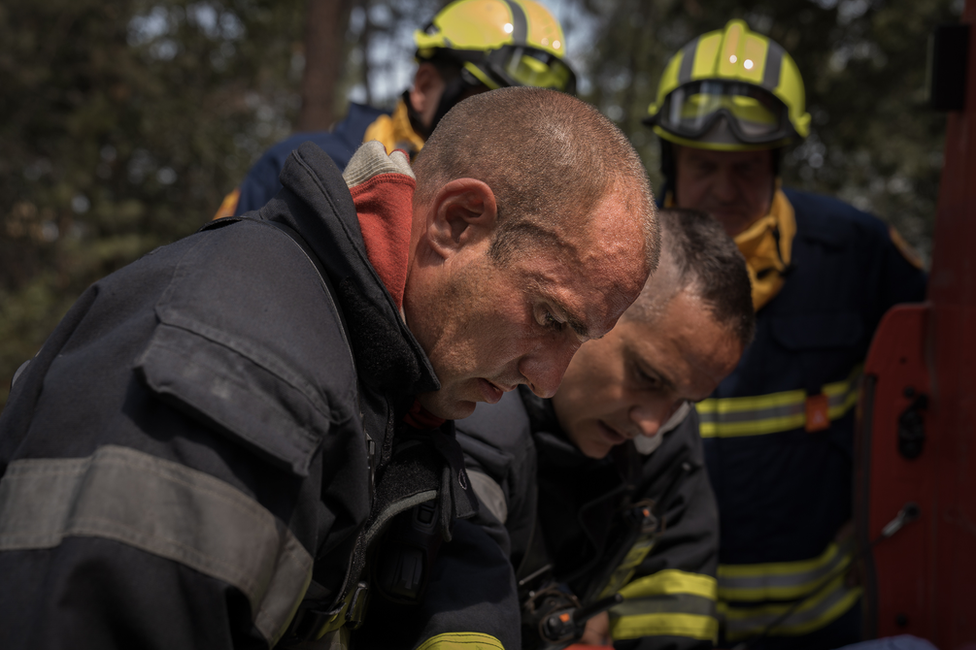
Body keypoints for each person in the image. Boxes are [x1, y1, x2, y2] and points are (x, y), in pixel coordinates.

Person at [0, 88, 658, 650]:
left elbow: (453, 544)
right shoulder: (232, 366)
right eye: (551, 317)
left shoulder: (396, 368)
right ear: (458, 222)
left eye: (583, 339)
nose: (549, 380)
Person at [642, 20, 928, 649]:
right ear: (670, 160)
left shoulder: (854, 251)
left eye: (745, 168)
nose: (723, 189)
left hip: (827, 619)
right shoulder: (620, 262)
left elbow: (938, 370)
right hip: (669, 623)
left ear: (778, 162)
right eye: (703, 165)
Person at [455, 208, 755, 650]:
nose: (652, 422)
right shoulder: (470, 401)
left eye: (684, 401)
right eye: (648, 378)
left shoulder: (669, 441)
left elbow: (674, 624)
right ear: (598, 304)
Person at [215, 0, 577, 218]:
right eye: (485, 106)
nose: (504, 134)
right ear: (423, 87)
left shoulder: (509, 216)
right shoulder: (300, 170)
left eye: (523, 120)